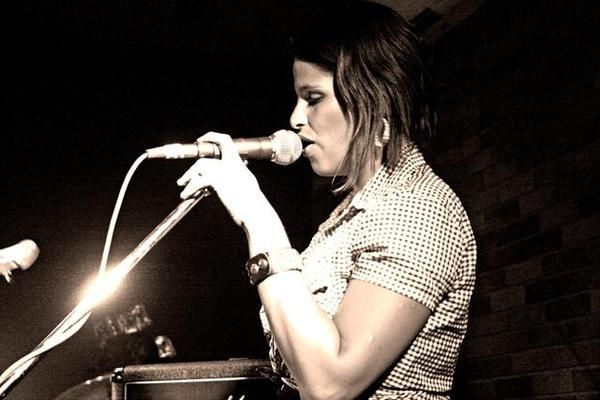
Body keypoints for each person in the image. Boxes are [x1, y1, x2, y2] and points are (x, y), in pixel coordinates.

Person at [177, 1, 476, 399]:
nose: (295, 118)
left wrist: (255, 213)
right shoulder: (353, 213)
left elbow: (330, 384)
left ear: (376, 101)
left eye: (313, 98)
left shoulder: (418, 210)